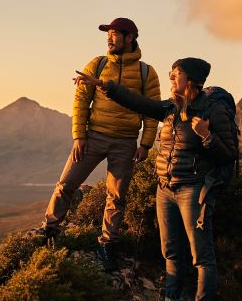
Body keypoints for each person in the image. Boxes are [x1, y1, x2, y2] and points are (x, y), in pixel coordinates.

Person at [75, 57, 236, 301]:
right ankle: (172, 297)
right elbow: (137, 102)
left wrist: (206, 136)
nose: (171, 77)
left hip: (193, 191)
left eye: (176, 73)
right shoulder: (171, 107)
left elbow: (229, 155)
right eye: (171, 73)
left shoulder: (211, 111)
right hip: (165, 190)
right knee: (170, 252)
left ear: (191, 79)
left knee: (201, 257)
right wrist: (103, 85)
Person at [39, 17, 161, 272]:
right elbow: (81, 101)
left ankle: (108, 243)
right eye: (108, 33)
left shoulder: (146, 73)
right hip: (93, 136)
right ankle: (50, 230)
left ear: (130, 38)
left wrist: (145, 144)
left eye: (115, 33)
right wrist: (79, 136)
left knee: (116, 197)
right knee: (66, 184)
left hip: (126, 142)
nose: (109, 38)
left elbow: (153, 111)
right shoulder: (97, 64)